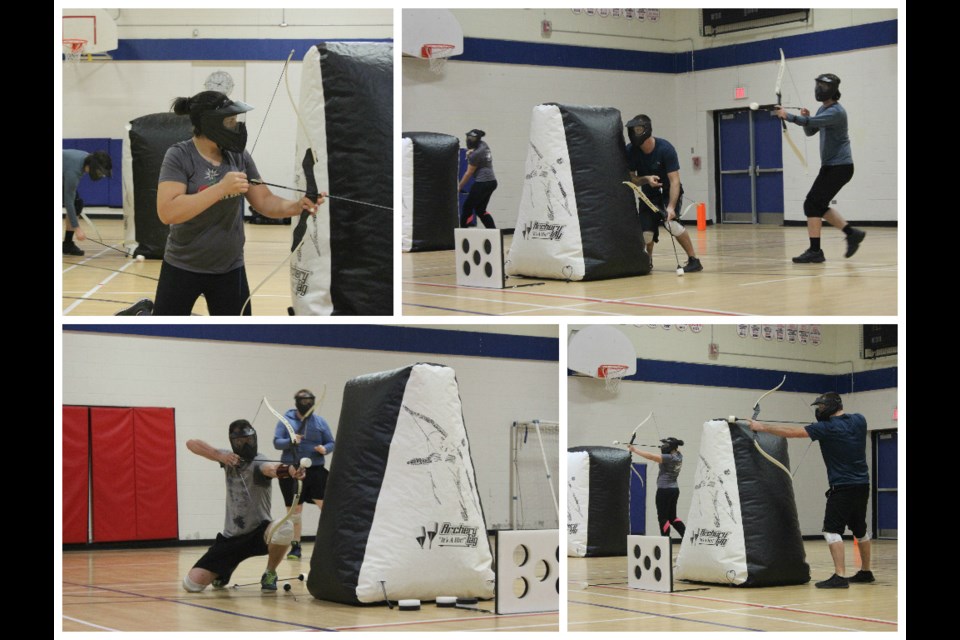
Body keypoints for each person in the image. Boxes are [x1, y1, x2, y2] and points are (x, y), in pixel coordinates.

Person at [154, 91, 324, 315]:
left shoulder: (239, 156)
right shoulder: (179, 155)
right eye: (230, 121)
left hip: (230, 268)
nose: (236, 126)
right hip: (182, 265)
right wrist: (221, 189)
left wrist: (296, 206)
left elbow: (264, 200)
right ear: (210, 123)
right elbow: (167, 212)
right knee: (166, 331)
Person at [749, 392, 874, 588]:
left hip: (842, 486)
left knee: (832, 530)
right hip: (862, 485)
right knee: (860, 529)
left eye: (822, 407)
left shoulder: (826, 428)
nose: (819, 410)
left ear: (832, 406)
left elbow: (792, 432)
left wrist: (761, 427)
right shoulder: (859, 420)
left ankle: (840, 577)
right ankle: (866, 572)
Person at [182, 419, 305, 593]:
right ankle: (224, 571)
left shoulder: (259, 461)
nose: (246, 444)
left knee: (285, 527)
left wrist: (292, 471)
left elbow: (272, 469)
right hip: (231, 538)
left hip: (259, 534)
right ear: (233, 442)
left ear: (254, 437)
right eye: (240, 441)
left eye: (249, 439)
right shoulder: (229, 459)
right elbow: (191, 444)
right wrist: (220, 456)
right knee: (191, 585)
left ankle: (270, 572)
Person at [775, 73, 865, 263]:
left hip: (840, 167)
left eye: (823, 86)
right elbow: (810, 130)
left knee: (811, 204)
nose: (818, 89)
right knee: (816, 204)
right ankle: (851, 234)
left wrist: (789, 116)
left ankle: (816, 250)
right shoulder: (823, 110)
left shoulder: (836, 112)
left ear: (832, 89)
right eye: (818, 85)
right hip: (832, 167)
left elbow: (811, 123)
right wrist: (806, 118)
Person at [625, 115, 702, 273]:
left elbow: (674, 181)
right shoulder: (631, 150)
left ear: (647, 130)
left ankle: (694, 260)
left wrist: (671, 207)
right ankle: (647, 262)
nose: (635, 133)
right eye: (633, 130)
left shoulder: (665, 149)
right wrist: (646, 179)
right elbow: (632, 178)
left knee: (670, 224)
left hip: (669, 192)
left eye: (638, 129)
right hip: (648, 195)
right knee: (646, 233)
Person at [273, 389, 335, 560]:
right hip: (291, 470)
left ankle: (330, 543)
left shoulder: (320, 422)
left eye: (310, 400)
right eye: (303, 400)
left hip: (315, 471)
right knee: (295, 511)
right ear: (297, 402)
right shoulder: (286, 422)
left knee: (326, 507)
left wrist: (325, 449)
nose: (307, 403)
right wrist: (291, 441)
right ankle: (295, 546)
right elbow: (277, 442)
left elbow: (331, 442)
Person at [628, 437, 686, 538]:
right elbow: (675, 449)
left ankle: (665, 541)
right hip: (674, 490)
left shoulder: (669, 458)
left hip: (664, 491)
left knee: (663, 518)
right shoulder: (679, 455)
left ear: (670, 447)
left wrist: (634, 450)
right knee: (672, 517)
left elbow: (651, 456)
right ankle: (687, 538)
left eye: (665, 446)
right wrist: (669, 445)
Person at [62, 149, 112, 256]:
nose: (101, 175)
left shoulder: (85, 159)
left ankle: (67, 244)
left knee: (77, 204)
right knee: (72, 202)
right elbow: (68, 201)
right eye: (100, 172)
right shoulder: (74, 171)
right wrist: (77, 228)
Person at [457, 129, 497, 229]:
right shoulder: (484, 145)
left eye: (472, 138)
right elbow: (478, 153)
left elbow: (468, 173)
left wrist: (459, 186)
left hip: (482, 183)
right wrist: (471, 152)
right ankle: (494, 233)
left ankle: (463, 234)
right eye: (469, 137)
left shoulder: (476, 154)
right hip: (492, 182)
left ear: (477, 139)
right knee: (480, 210)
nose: (469, 140)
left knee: (467, 207)